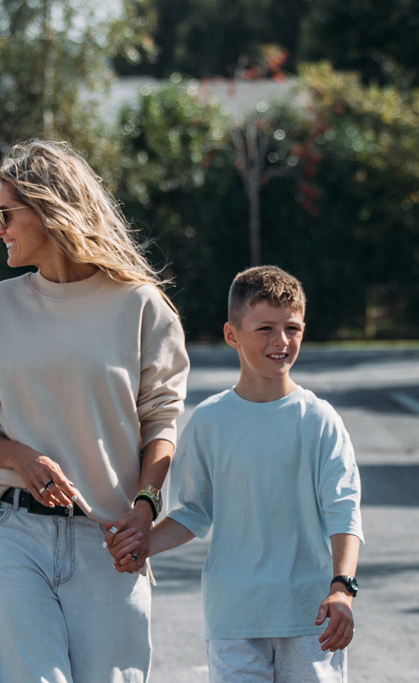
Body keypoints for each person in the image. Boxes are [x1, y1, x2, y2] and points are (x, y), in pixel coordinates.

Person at [0, 140, 190, 683]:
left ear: (49, 208)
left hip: (108, 538)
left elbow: (162, 421)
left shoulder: (141, 305)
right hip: (12, 529)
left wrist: (146, 507)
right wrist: (19, 457)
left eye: (6, 214)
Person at [143, 265, 363, 683]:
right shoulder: (209, 421)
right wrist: (140, 546)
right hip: (233, 620)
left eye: (292, 328)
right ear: (232, 335)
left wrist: (342, 588)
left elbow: (344, 511)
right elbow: (193, 512)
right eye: (265, 328)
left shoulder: (319, 420)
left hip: (310, 617)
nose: (281, 341)